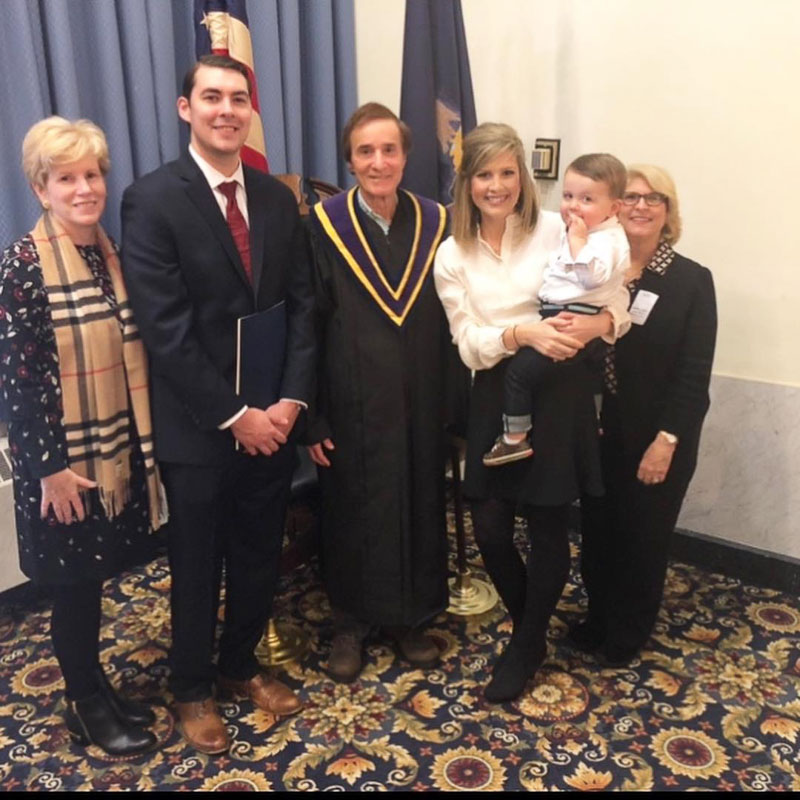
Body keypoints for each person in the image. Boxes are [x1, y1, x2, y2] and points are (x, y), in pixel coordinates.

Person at [121, 55, 315, 754]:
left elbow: (302, 306)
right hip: (201, 427)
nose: (226, 110)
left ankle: (239, 666)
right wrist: (238, 416)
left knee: (260, 554)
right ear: (186, 108)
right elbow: (165, 329)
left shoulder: (276, 197)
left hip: (274, 421)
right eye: (212, 97)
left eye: (238, 98)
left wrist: (290, 401)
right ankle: (192, 687)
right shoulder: (150, 200)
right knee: (197, 565)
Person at [434, 123, 629, 703]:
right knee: (490, 529)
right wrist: (522, 334)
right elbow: (468, 342)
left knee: (547, 524)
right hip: (497, 391)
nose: (497, 185)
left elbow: (616, 295)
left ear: (522, 175)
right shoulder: (452, 253)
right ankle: (532, 631)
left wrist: (599, 324)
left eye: (507, 172)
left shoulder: (555, 227)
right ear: (467, 183)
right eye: (484, 175)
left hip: (560, 388)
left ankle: (524, 646)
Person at [0, 116, 167, 755]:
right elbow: (18, 379)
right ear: (41, 189)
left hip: (106, 453)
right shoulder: (23, 264)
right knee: (73, 589)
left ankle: (97, 687)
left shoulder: (106, 252)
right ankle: (83, 704)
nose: (84, 189)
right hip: (61, 469)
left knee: (92, 581)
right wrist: (49, 470)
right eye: (66, 178)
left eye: (92, 175)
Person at [306, 102, 463, 683]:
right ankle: (351, 622)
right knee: (352, 507)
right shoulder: (323, 226)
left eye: (389, 150)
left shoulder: (436, 222)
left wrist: (454, 408)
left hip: (420, 398)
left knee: (420, 501)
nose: (378, 162)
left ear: (405, 156)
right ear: (349, 160)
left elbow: (453, 317)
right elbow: (307, 325)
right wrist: (312, 416)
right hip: (350, 402)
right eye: (366, 151)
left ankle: (410, 618)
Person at [572, 165, 717, 665]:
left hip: (658, 437)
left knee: (642, 538)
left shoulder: (691, 281)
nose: (640, 206)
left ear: (668, 212)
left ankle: (628, 631)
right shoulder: (599, 269)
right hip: (601, 430)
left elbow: (694, 375)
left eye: (654, 198)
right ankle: (598, 617)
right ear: (615, 207)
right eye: (631, 196)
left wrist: (667, 440)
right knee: (598, 532)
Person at [483, 153, 630, 466]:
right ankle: (594, 420)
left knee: (519, 373)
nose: (573, 206)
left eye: (587, 199)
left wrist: (578, 241)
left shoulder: (604, 240)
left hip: (569, 318)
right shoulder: (582, 231)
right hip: (566, 317)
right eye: (568, 196)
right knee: (590, 375)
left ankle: (514, 439)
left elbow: (592, 278)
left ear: (614, 208)